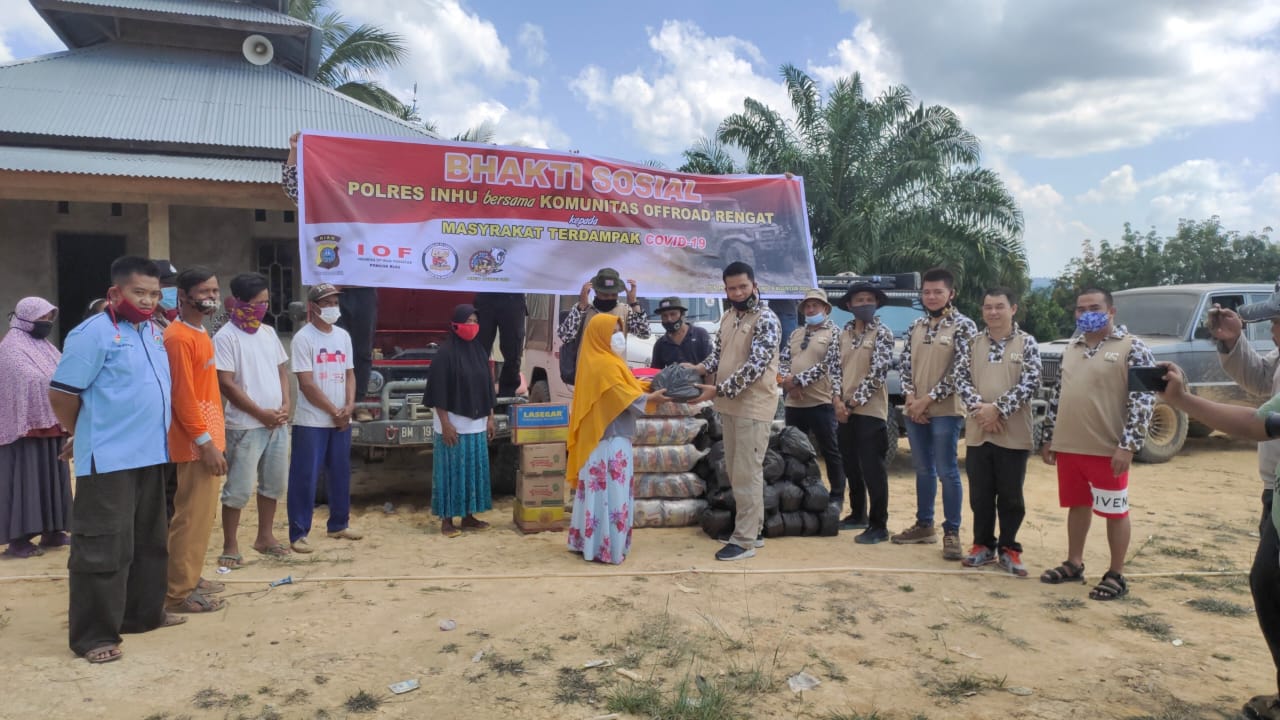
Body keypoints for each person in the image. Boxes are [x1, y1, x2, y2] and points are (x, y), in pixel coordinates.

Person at [49, 256, 183, 663]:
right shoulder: (93, 334)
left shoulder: (154, 332)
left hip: (152, 456)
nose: (147, 301)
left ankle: (142, 614)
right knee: (102, 548)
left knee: (148, 543)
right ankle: (94, 636)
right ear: (115, 293)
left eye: (154, 294)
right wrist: (82, 433)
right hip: (109, 460)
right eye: (139, 292)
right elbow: (62, 395)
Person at [1039, 287, 1154, 600]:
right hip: (1070, 446)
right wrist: (1048, 436)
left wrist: (1128, 445)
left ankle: (1116, 574)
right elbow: (1057, 395)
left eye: (1094, 307)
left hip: (1108, 448)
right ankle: (1074, 563)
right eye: (1080, 309)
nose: (1086, 313)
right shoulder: (1072, 347)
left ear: (1111, 312)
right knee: (1077, 505)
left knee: (1115, 511)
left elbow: (1143, 399)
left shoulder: (1133, 347)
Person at [1205, 299, 1280, 720]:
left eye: (1276, 320)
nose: (1271, 329)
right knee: (1269, 582)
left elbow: (1255, 420)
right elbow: (1258, 381)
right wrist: (1233, 341)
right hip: (1275, 488)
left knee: (1268, 581)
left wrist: (1184, 401)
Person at [687, 261, 781, 561]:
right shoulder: (728, 317)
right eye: (732, 288)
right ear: (725, 290)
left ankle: (745, 540)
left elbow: (754, 367)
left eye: (743, 286)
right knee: (737, 470)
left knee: (746, 472)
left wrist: (718, 389)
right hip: (728, 405)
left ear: (754, 285)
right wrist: (700, 368)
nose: (738, 292)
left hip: (753, 407)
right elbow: (719, 353)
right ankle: (754, 529)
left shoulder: (766, 319)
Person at [282, 132, 377, 421]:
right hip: (329, 289)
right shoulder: (321, 195)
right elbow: (292, 186)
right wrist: (296, 150)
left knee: (360, 349)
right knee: (327, 348)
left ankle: (356, 404)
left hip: (364, 287)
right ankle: (327, 404)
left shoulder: (373, 202)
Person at [954, 288, 1042, 576]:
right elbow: (961, 378)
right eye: (988, 307)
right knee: (980, 494)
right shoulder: (972, 343)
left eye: (999, 307)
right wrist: (982, 410)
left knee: (1010, 495)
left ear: (1013, 309)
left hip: (1012, 433)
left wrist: (998, 410)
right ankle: (982, 546)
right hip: (980, 431)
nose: (993, 312)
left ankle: (1009, 549)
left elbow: (1030, 383)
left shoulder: (1026, 343)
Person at [566, 313, 665, 564]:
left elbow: (628, 386)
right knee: (612, 493)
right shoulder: (606, 365)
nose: (618, 336)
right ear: (599, 334)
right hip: (610, 440)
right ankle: (606, 547)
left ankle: (587, 542)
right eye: (612, 331)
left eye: (620, 330)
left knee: (597, 493)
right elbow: (624, 396)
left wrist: (646, 386)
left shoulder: (596, 360)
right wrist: (653, 398)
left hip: (598, 441)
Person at [893, 267, 977, 561]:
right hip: (915, 408)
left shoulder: (964, 326)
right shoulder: (916, 325)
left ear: (951, 294)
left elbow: (961, 370)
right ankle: (924, 525)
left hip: (945, 411)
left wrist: (927, 400)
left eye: (938, 292)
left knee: (947, 470)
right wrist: (910, 398)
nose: (931, 296)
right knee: (923, 469)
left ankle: (951, 532)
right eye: (926, 292)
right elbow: (905, 364)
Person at [213, 272, 291, 565]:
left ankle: (265, 536)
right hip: (245, 426)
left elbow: (282, 370)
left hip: (277, 423)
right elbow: (227, 384)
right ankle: (230, 545)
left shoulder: (269, 333)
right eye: (258, 302)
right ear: (240, 302)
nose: (263, 307)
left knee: (273, 484)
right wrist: (260, 413)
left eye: (266, 302)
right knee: (239, 489)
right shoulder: (225, 337)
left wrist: (285, 404)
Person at [163, 267, 228, 614]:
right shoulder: (178, 338)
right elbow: (183, 397)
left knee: (202, 517)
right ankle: (177, 593)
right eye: (205, 291)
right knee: (190, 517)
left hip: (208, 438)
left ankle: (190, 576)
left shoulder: (199, 332)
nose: (212, 297)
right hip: (194, 444)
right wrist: (205, 444)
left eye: (215, 290)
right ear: (183, 296)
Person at [287, 283, 362, 553]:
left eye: (334, 302)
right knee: (305, 476)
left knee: (340, 472)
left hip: (341, 418)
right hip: (312, 421)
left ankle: (339, 524)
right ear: (314, 307)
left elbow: (350, 373)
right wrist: (333, 411)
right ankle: (299, 532)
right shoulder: (303, 339)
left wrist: (349, 405)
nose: (332, 307)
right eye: (327, 303)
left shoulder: (342, 336)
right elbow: (306, 383)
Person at [0, 297, 72, 558]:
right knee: (27, 479)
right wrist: (58, 381)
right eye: (42, 318)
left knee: (54, 476)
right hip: (25, 428)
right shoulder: (12, 346)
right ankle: (19, 540)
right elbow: (27, 377)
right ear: (26, 317)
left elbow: (64, 368)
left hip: (52, 422)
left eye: (49, 318)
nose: (46, 323)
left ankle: (53, 531)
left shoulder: (45, 346)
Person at [424, 305, 496, 538]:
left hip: (477, 423)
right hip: (453, 422)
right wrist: (445, 423)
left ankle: (468, 517)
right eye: (468, 321)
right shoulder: (445, 354)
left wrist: (490, 418)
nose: (472, 325)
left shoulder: (480, 351)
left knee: (473, 472)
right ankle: (447, 520)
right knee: (451, 471)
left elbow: (487, 387)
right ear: (455, 325)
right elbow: (438, 391)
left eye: (475, 320)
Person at [833, 282, 895, 542]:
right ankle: (858, 514)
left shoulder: (883, 333)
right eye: (859, 300)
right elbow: (834, 369)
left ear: (877, 303)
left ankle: (879, 525)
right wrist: (837, 400)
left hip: (870, 411)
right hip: (843, 411)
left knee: (873, 468)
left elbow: (877, 374)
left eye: (869, 299)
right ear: (849, 305)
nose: (864, 304)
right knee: (851, 465)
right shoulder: (842, 334)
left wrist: (851, 403)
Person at [779, 289, 845, 514]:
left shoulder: (835, 333)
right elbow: (783, 360)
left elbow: (829, 364)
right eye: (807, 306)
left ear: (825, 309)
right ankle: (797, 494)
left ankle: (837, 496)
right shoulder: (796, 333)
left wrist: (797, 381)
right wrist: (786, 382)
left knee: (830, 450)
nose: (810, 309)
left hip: (821, 401)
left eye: (815, 305)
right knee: (794, 451)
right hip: (794, 403)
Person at [556, 267, 651, 348]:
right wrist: (581, 306)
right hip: (588, 368)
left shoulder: (625, 311)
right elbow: (565, 336)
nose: (610, 298)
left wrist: (633, 303)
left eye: (614, 295)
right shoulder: (583, 311)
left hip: (614, 368)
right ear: (596, 292)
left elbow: (645, 334)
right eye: (605, 295)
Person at [474, 292, 527, 399]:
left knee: (514, 351)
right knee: (477, 351)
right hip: (486, 293)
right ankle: (477, 392)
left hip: (513, 295)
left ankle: (508, 394)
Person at [649, 296, 713, 369]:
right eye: (664, 316)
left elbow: (712, 366)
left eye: (673, 314)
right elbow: (655, 373)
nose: (669, 319)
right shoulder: (660, 344)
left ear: (682, 314)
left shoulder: (700, 335)